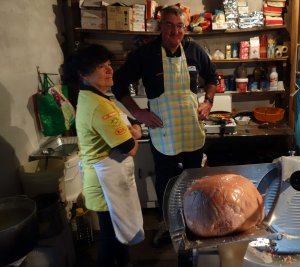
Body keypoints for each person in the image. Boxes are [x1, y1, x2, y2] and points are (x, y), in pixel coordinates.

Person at [112, 5, 217, 246]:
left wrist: (208, 102)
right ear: (160, 27)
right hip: (164, 130)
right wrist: (138, 112)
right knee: (166, 180)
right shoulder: (145, 54)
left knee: (193, 178)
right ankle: (167, 224)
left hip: (190, 128)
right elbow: (119, 84)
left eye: (179, 26)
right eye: (169, 25)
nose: (175, 31)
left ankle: (194, 220)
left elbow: (212, 77)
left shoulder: (194, 50)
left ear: (185, 28)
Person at [63, 44, 143, 267]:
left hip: (104, 181)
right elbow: (130, 148)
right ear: (83, 74)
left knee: (117, 237)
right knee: (110, 240)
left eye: (109, 65)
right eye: (101, 66)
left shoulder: (93, 98)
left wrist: (133, 131)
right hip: (106, 185)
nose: (109, 70)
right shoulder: (99, 105)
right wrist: (135, 133)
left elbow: (128, 130)